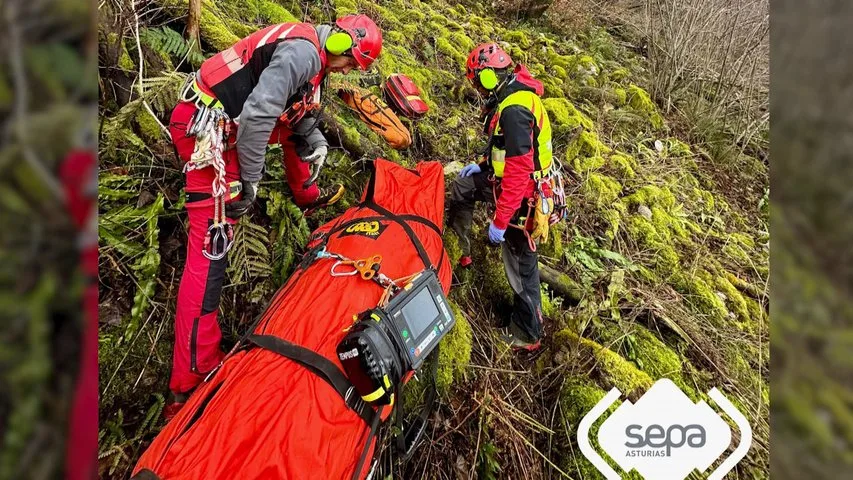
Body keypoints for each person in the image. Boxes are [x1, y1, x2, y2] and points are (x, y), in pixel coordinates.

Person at [164, 14, 383, 418]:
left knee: (299, 139)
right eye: (351, 61)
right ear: (339, 44)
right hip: (206, 133)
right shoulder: (302, 53)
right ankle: (188, 379)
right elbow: (258, 116)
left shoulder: (315, 58)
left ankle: (307, 195)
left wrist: (315, 140)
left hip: (228, 125)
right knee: (211, 251)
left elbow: (297, 110)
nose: (350, 69)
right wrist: (249, 183)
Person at [447, 43, 553, 351]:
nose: (478, 90)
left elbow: (520, 171)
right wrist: (480, 164)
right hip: (501, 183)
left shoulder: (516, 108)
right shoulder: (512, 97)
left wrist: (500, 222)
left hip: (521, 198)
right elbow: (504, 150)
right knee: (463, 188)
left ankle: (527, 333)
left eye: (479, 82)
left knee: (520, 264)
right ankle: (462, 249)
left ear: (490, 77)